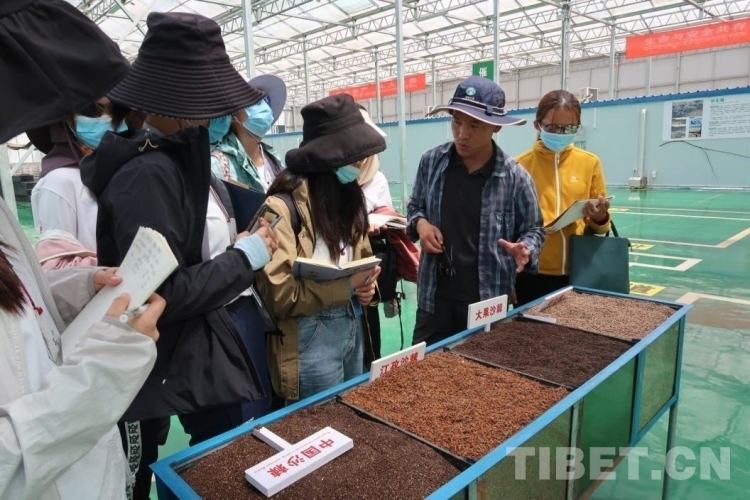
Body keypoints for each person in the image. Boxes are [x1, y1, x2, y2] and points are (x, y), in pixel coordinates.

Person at [79, 12, 277, 498]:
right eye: (207, 103)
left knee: (207, 461)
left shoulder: (177, 161)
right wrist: (243, 259)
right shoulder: (150, 174)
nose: (215, 116)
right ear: (179, 103)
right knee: (190, 471)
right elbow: (157, 293)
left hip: (184, 350)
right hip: (165, 353)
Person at [1, 1, 167, 498]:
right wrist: (108, 365)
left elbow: (24, 300)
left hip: (80, 446)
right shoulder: (58, 184)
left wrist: (79, 285)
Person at [256, 93, 383, 402]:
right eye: (352, 156)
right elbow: (280, 295)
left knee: (350, 414)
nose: (359, 164)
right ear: (328, 157)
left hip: (353, 326)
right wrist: (347, 286)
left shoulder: (350, 199)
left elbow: (363, 258)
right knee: (318, 422)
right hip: (308, 341)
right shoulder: (282, 209)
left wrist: (368, 287)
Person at [407, 76, 545, 346]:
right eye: (457, 122)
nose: (462, 133)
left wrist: (526, 248)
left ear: (496, 127)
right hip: (434, 298)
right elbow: (415, 207)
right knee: (424, 367)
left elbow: (534, 229)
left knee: (481, 367)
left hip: (487, 300)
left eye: (474, 125)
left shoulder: (515, 178)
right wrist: (421, 224)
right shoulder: (431, 163)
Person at [514, 89, 611, 306]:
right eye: (552, 127)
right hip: (530, 273)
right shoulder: (519, 166)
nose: (560, 133)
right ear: (537, 125)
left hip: (578, 272)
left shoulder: (590, 163)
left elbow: (601, 227)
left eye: (568, 128)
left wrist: (600, 217)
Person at [27, 99, 128, 254]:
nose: (107, 119)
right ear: (67, 121)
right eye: (98, 111)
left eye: (114, 112)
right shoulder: (59, 182)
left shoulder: (121, 169)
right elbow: (58, 262)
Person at [212, 74, 287, 191]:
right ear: (233, 115)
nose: (265, 107)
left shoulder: (275, 158)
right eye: (254, 102)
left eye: (266, 100)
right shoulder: (217, 166)